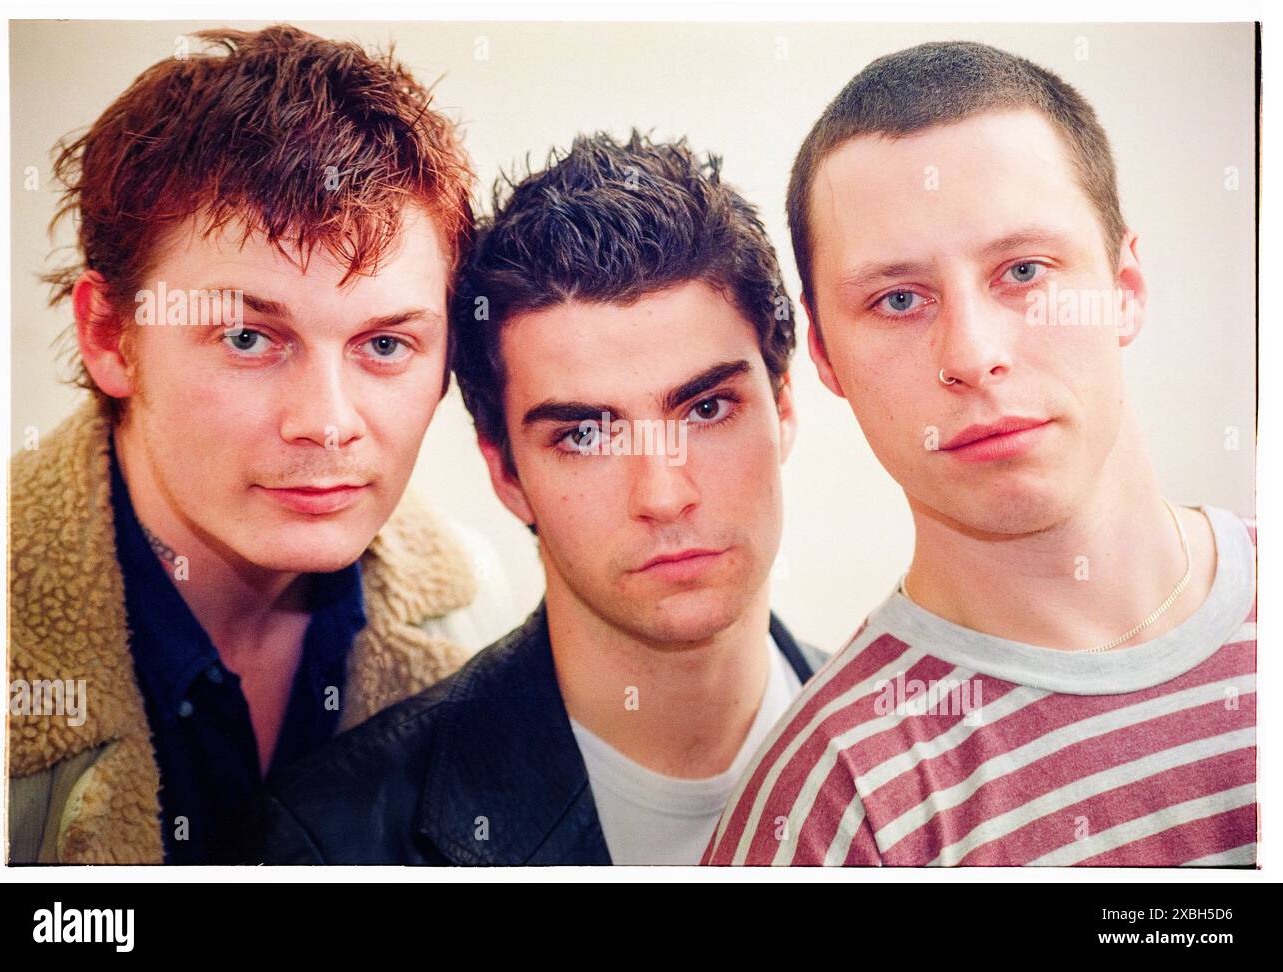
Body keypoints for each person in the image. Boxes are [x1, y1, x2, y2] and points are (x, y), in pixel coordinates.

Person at [705, 41, 1256, 867]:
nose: (972, 351)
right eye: (898, 299)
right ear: (825, 359)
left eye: (1024, 271)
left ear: (1124, 289)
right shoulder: (826, 810)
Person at [8, 25, 511, 865]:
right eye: (248, 338)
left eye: (385, 344)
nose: (326, 421)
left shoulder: (477, 616)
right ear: (108, 334)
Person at [251, 132, 825, 865]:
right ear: (505, 471)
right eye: (585, 436)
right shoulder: (336, 840)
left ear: (783, 408)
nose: (664, 493)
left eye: (706, 410)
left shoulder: (930, 747)